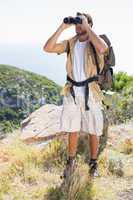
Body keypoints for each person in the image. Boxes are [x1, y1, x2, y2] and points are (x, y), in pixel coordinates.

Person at [43, 12, 109, 178]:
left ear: (89, 24)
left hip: (91, 92)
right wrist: (63, 27)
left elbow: (103, 48)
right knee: (72, 129)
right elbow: (48, 48)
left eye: (81, 22)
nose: (78, 25)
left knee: (93, 129)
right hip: (72, 91)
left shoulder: (95, 42)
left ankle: (93, 164)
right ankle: (70, 163)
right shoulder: (71, 43)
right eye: (76, 22)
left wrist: (87, 27)